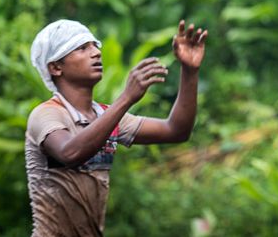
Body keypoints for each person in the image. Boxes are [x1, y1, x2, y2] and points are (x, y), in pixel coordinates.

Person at [26, 19, 208, 237]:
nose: (95, 53)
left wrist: (189, 71)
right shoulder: (47, 114)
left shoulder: (106, 116)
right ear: (55, 67)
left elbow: (177, 131)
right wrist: (126, 98)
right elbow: (70, 152)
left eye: (95, 45)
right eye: (82, 48)